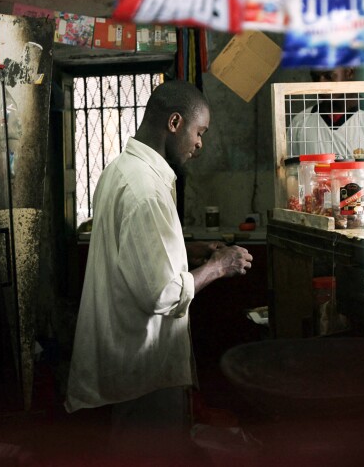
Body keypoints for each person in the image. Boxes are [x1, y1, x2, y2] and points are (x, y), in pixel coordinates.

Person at [65, 79, 252, 463]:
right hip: (143, 369)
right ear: (174, 123)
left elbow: (134, 252)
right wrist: (219, 266)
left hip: (126, 360)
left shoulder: (120, 170)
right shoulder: (146, 189)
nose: (200, 144)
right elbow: (161, 292)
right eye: (199, 132)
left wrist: (190, 250)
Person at [286, 66, 364, 159]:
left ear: (349, 72)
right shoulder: (300, 122)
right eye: (315, 77)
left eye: (329, 76)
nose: (321, 83)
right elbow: (291, 171)